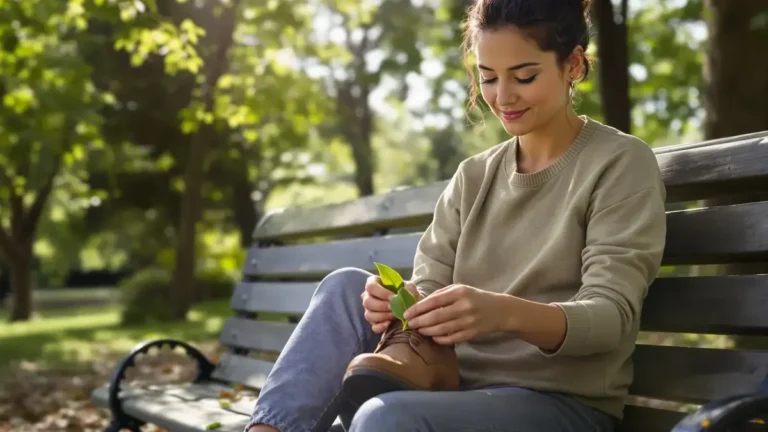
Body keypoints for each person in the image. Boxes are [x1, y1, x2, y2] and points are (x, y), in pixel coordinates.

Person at [246, 0, 667, 430]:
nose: (502, 97)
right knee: (344, 289)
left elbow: (611, 317)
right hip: (452, 386)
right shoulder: (473, 175)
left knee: (384, 419)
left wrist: (502, 313)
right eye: (488, 77)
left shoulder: (619, 163)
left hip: (559, 404)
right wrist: (400, 304)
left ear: (573, 65)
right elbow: (429, 285)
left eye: (524, 76)